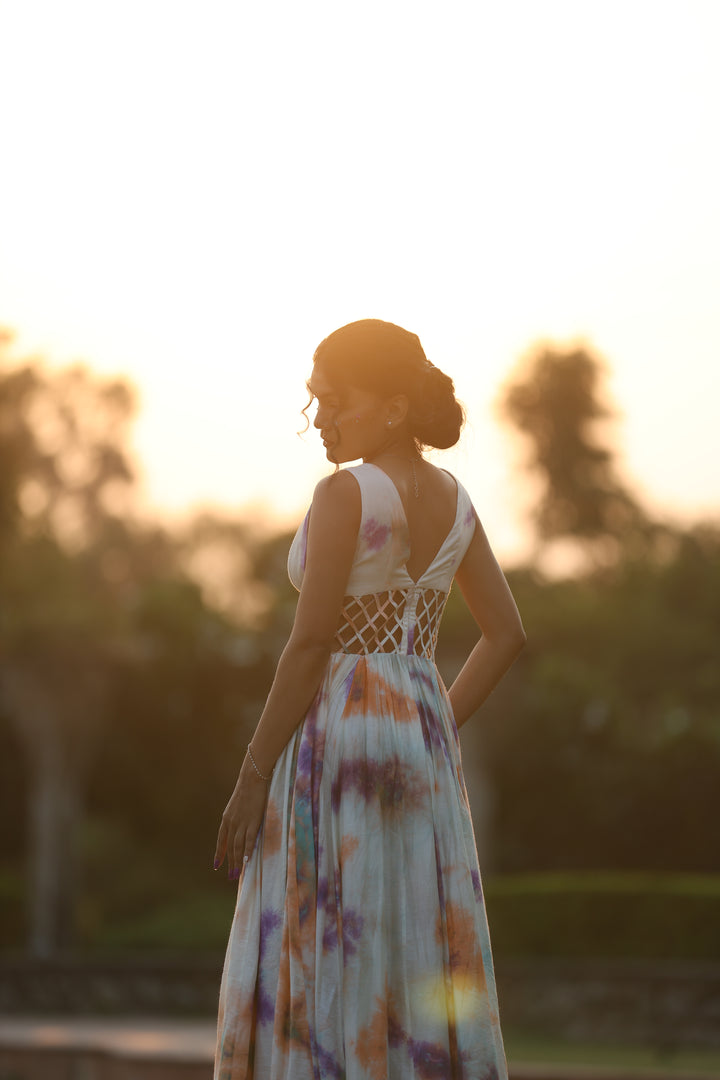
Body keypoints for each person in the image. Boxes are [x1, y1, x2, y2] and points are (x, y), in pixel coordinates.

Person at [213, 319, 526, 1079]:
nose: (320, 418)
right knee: (406, 933)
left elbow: (312, 642)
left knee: (331, 933)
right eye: (314, 403)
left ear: (391, 408)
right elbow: (506, 635)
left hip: (337, 743)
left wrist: (252, 775)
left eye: (335, 401)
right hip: (418, 748)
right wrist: (430, 724)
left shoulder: (344, 492)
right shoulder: (455, 501)